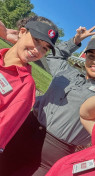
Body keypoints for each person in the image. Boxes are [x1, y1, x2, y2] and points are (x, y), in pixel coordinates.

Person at [0, 23, 95, 175]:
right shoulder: (67, 73)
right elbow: (56, 55)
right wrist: (75, 40)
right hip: (22, 131)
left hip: (50, 156)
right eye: (91, 56)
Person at [0, 16, 58, 153]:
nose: (38, 51)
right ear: (21, 32)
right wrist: (4, 33)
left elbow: (4, 128)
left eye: (44, 48)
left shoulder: (25, 85)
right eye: (36, 40)